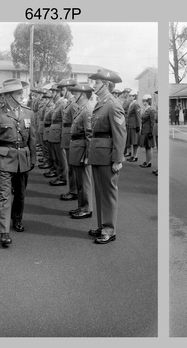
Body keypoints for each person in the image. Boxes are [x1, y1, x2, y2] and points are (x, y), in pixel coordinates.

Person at [0, 78, 36, 246]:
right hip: (4, 159)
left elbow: (32, 138)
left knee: (20, 194)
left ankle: (17, 219)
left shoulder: (28, 112)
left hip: (23, 158)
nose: (21, 95)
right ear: (8, 96)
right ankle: (4, 231)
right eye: (18, 93)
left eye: (21, 92)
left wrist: (33, 158)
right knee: (3, 196)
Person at [87, 70, 126, 244]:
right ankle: (103, 226)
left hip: (108, 155)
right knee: (99, 192)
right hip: (98, 154)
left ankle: (109, 230)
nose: (94, 85)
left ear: (106, 85)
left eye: (97, 83)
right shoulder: (101, 103)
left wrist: (117, 160)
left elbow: (120, 134)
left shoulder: (113, 104)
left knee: (108, 193)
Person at [68, 83, 94, 219]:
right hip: (77, 147)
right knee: (80, 181)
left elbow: (90, 135)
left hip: (82, 148)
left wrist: (88, 155)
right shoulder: (81, 109)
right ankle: (81, 206)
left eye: (76, 93)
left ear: (83, 95)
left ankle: (86, 208)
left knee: (84, 181)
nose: (74, 95)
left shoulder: (87, 110)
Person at [60, 80, 80, 201]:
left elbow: (75, 122)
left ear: (69, 89)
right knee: (70, 165)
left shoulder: (73, 104)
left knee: (72, 166)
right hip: (67, 136)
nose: (62, 92)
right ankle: (73, 189)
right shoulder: (69, 103)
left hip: (71, 137)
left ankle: (74, 191)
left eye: (63, 89)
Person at [139, 94, 156, 168]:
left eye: (144, 101)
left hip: (148, 131)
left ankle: (148, 162)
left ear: (148, 101)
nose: (143, 102)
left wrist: (151, 132)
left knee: (149, 147)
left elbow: (152, 122)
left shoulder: (151, 110)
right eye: (143, 101)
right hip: (144, 130)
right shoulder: (145, 109)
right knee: (146, 147)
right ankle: (147, 161)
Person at [125, 91, 141, 162]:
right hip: (130, 125)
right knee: (132, 142)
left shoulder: (136, 104)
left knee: (135, 142)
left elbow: (138, 116)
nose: (129, 97)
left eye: (131, 96)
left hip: (134, 126)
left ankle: (135, 156)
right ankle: (133, 155)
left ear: (134, 96)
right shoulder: (131, 104)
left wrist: (138, 125)